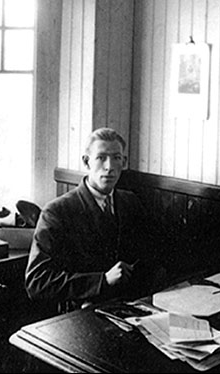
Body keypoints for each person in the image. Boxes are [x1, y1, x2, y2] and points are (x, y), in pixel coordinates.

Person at [25, 127, 167, 312]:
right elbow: (37, 282)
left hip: (130, 308)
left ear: (123, 162)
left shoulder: (130, 201)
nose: (109, 167)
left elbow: (151, 256)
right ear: (86, 161)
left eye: (116, 158)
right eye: (101, 157)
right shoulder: (57, 212)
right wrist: (103, 280)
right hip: (80, 314)